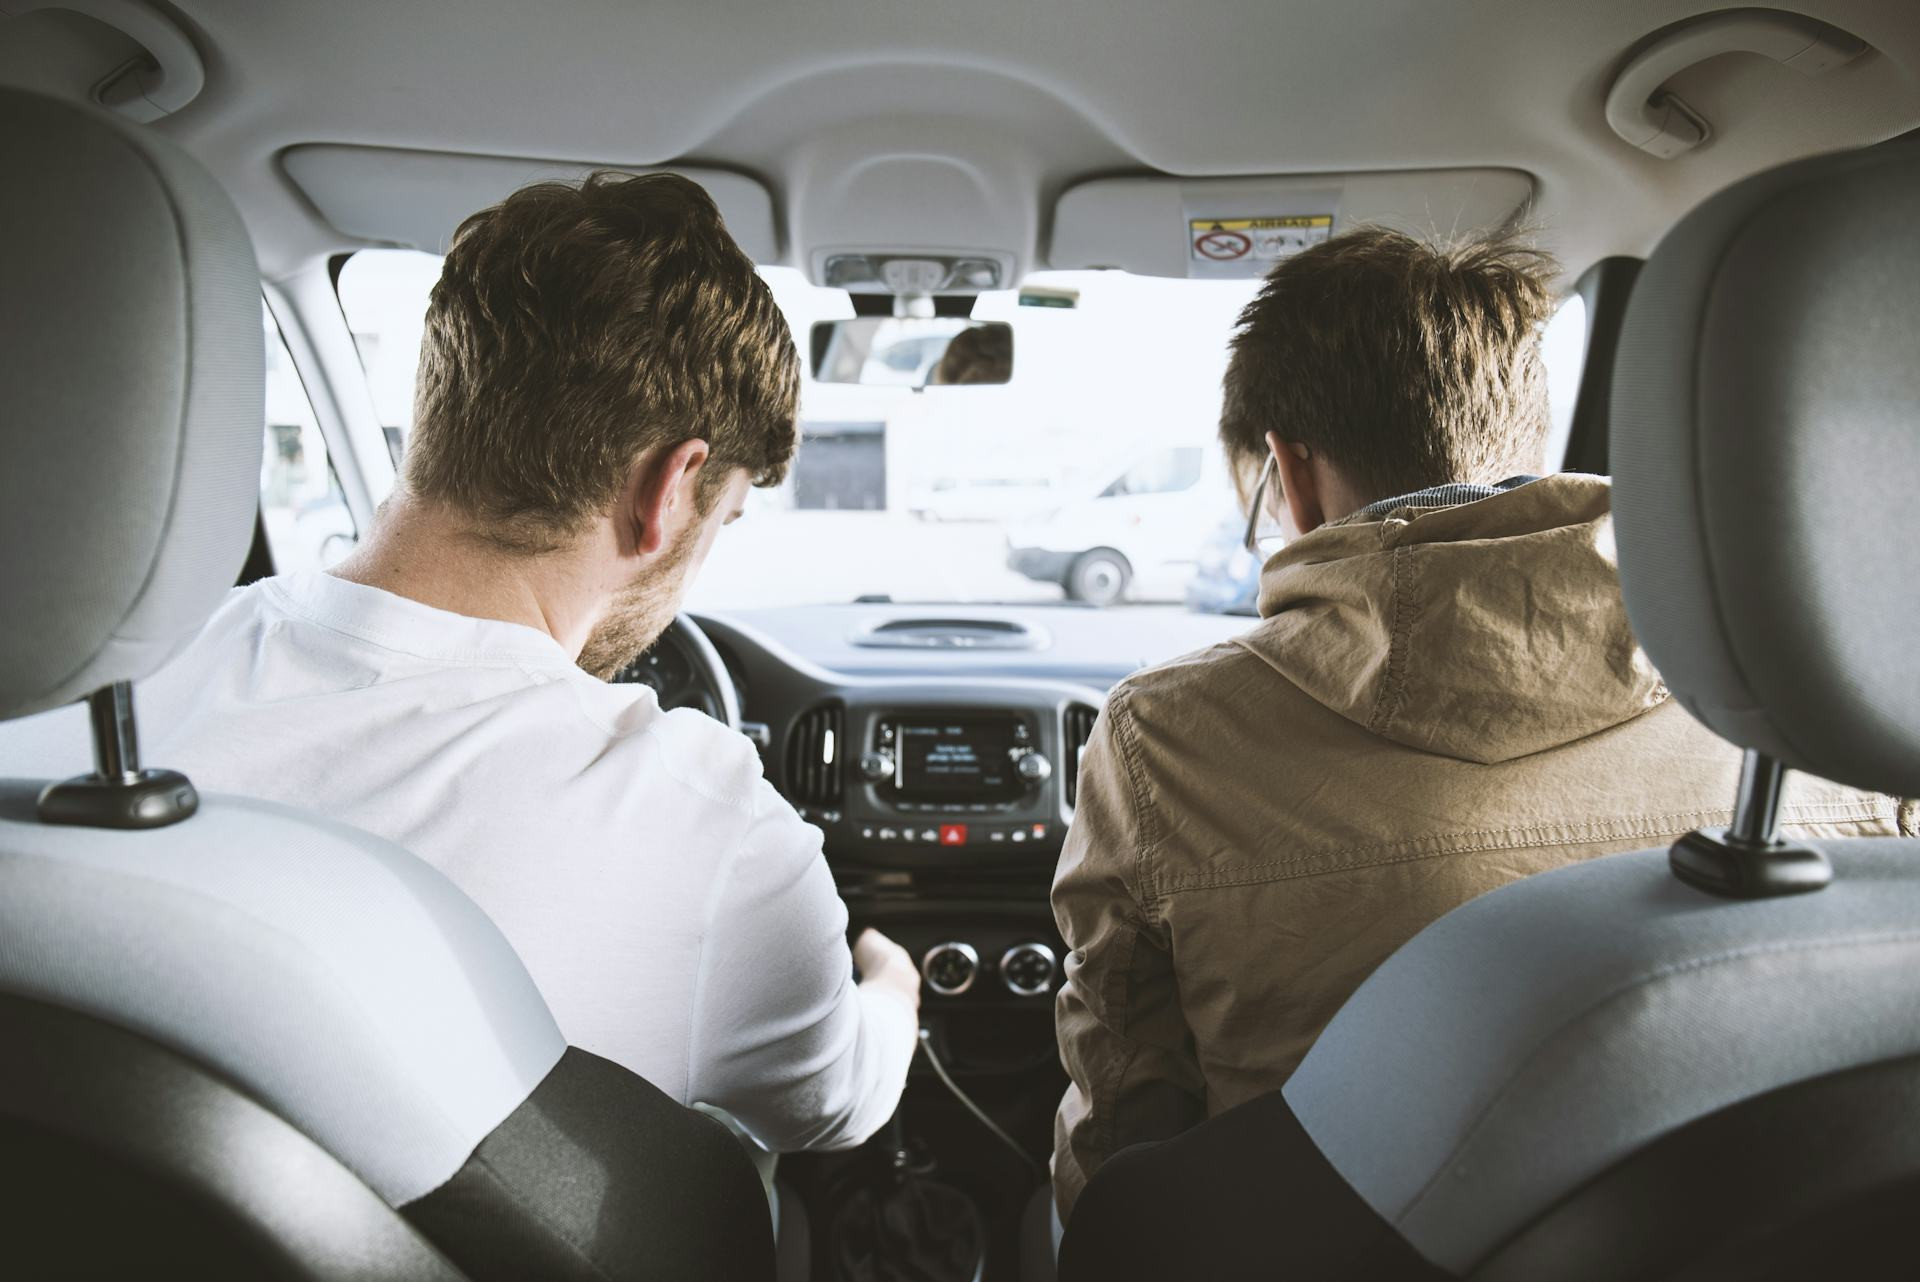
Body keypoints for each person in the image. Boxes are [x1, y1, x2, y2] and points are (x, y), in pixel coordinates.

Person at [0, 172, 920, 1156]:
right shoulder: (715, 831)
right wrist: (893, 985)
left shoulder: (56, 704)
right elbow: (833, 1106)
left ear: (443, 410)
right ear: (669, 488)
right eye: (721, 521)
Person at [1048, 226, 1913, 1219]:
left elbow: (1123, 1121)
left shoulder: (1164, 736)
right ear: (1526, 446)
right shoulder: (1830, 702)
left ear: (1290, 471)